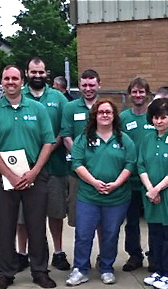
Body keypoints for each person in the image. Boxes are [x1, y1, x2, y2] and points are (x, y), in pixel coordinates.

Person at [0, 65, 56, 289]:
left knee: (36, 226)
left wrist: (34, 172)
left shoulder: (37, 109)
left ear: (21, 81)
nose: (11, 82)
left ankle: (40, 271)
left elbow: (48, 142)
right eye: (6, 78)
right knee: (4, 227)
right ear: (1, 82)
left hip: (34, 175)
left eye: (15, 78)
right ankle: (5, 273)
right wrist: (10, 175)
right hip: (2, 178)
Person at [66, 100, 136, 286]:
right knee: (83, 234)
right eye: (101, 112)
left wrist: (116, 183)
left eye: (109, 112)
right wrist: (94, 183)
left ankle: (106, 268)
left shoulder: (124, 139)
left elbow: (130, 164)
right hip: (89, 196)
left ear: (114, 116)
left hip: (117, 197)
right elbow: (77, 163)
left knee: (110, 234)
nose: (105, 115)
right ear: (95, 116)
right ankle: (80, 269)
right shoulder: (83, 138)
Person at [20, 57, 70, 272]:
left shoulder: (59, 98)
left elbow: (65, 129)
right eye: (34, 72)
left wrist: (48, 150)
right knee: (22, 216)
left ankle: (58, 253)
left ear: (46, 73)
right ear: (27, 73)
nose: (37, 76)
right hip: (24, 168)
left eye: (41, 72)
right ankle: (22, 254)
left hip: (55, 166)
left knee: (55, 212)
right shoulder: (17, 96)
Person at [139, 98, 168, 289]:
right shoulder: (147, 139)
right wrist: (150, 189)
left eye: (163, 117)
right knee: (155, 233)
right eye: (156, 117)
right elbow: (140, 164)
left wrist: (157, 189)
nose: (159, 121)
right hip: (151, 195)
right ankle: (159, 271)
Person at [119, 77, 155, 272]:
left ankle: (154, 255)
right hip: (130, 180)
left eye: (142, 91)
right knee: (131, 221)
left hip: (151, 180)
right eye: (135, 91)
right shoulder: (124, 118)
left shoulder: (155, 115)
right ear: (130, 94)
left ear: (148, 94)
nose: (138, 95)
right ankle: (134, 255)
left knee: (153, 220)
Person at [61, 69, 101, 228]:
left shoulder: (105, 107)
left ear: (99, 85)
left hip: (101, 171)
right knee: (78, 218)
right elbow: (66, 137)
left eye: (92, 84)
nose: (88, 88)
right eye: (84, 85)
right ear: (79, 86)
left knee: (101, 219)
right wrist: (81, 162)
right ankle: (81, 252)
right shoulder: (70, 108)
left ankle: (103, 253)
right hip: (76, 172)